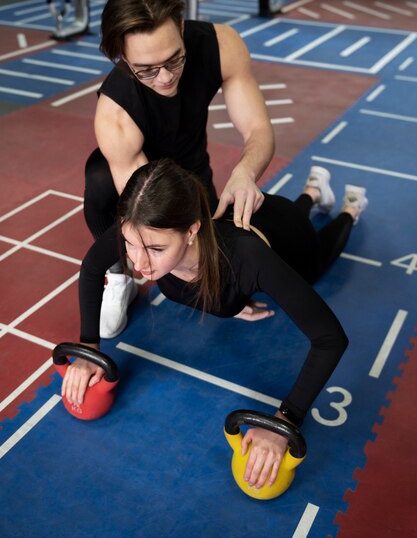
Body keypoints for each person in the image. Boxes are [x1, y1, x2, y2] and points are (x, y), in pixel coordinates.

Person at [62, 159, 368, 490]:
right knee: (289, 213)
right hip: (252, 221)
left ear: (192, 230)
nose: (138, 263)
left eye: (155, 249)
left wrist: (286, 421)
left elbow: (330, 338)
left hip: (290, 239)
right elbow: (92, 267)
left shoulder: (247, 260)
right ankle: (312, 189)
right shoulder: (142, 228)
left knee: (319, 257)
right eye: (130, 244)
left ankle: (350, 209)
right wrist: (89, 347)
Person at [83, 0, 275, 339]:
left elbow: (258, 130)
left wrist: (246, 172)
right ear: (122, 58)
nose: (166, 77)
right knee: (98, 178)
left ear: (182, 28)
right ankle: (119, 276)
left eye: (174, 59)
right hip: (143, 180)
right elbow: (147, 217)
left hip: (192, 168)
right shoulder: (114, 112)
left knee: (225, 264)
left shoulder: (222, 44)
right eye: (147, 69)